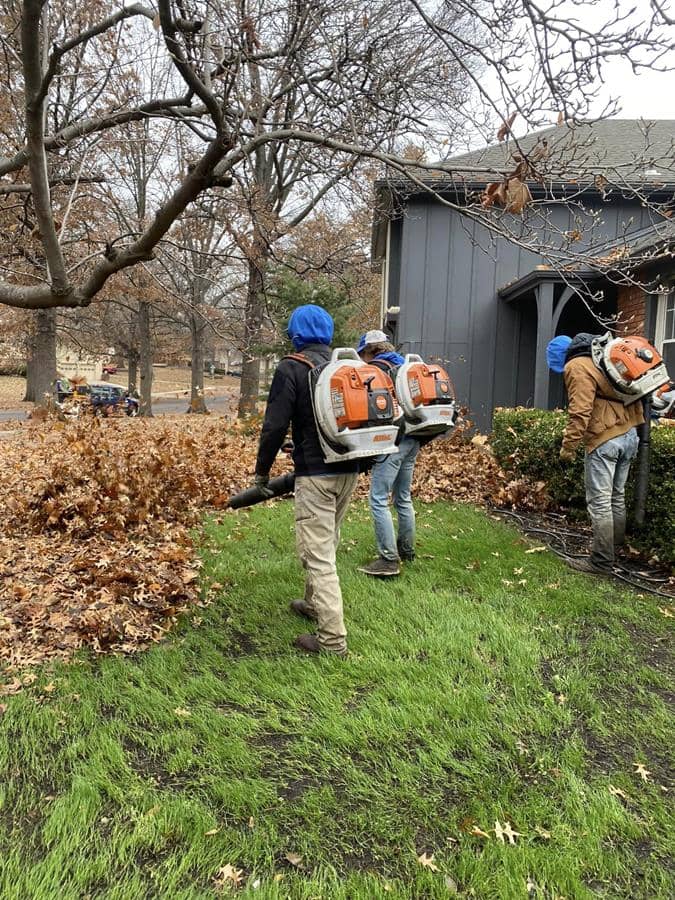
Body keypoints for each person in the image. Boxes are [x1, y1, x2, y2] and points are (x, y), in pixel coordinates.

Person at [254, 304, 359, 657]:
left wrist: (262, 471)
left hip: (316, 477)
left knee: (318, 557)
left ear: (294, 334)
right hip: (349, 469)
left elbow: (273, 426)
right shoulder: (343, 367)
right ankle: (314, 605)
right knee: (326, 543)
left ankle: (332, 641)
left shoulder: (292, 368)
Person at [547, 333, 644, 574]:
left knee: (600, 502)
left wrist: (567, 449)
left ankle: (601, 561)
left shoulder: (576, 367)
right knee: (616, 496)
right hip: (630, 434)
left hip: (606, 438)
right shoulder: (600, 359)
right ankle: (615, 551)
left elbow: (580, 412)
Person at [355, 330, 421, 578]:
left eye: (362, 354)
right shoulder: (406, 365)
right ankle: (407, 551)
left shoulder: (375, 371)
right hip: (414, 437)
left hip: (393, 440)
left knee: (378, 499)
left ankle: (388, 559)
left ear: (370, 350)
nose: (362, 359)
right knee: (402, 497)